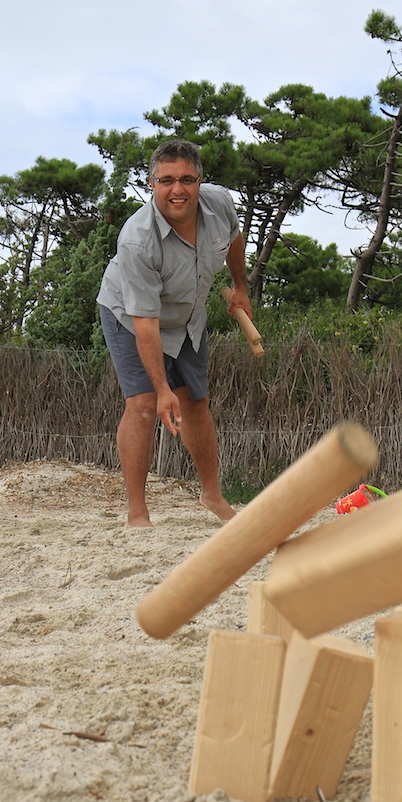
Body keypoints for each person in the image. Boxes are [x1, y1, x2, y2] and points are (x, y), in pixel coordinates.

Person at [97, 139, 252, 527]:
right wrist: (163, 388)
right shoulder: (137, 240)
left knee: (196, 404)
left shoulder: (220, 204)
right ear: (152, 184)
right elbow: (146, 325)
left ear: (201, 181)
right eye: (166, 181)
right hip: (131, 316)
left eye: (187, 179)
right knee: (145, 405)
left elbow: (234, 240)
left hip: (187, 315)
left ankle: (212, 496)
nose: (177, 190)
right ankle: (137, 512)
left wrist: (240, 286)